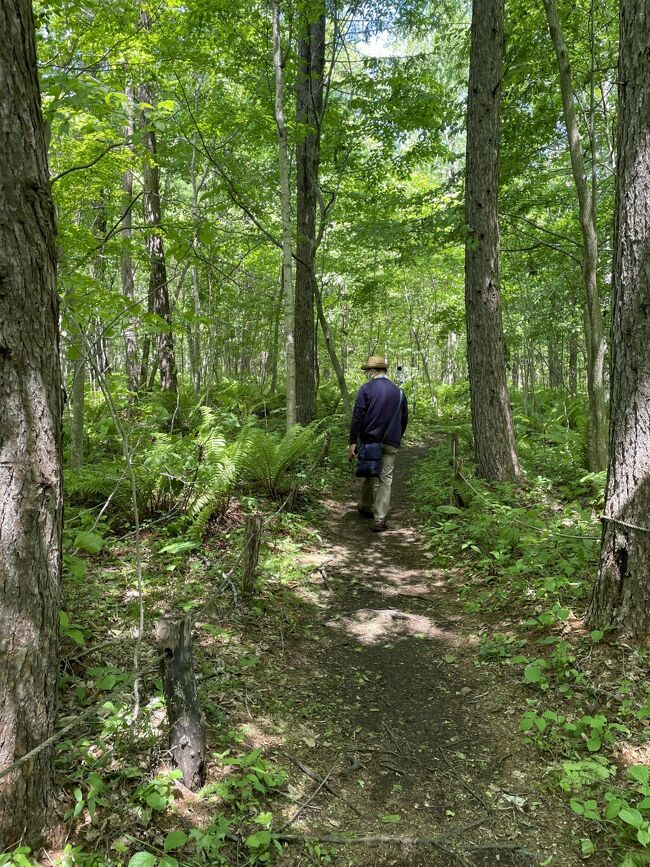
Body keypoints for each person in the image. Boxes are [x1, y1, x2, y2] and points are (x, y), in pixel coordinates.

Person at [348, 355, 408, 532]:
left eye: (368, 371)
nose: (367, 373)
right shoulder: (399, 392)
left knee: (368, 472)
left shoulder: (365, 389)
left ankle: (366, 506)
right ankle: (380, 517)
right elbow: (404, 419)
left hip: (370, 441)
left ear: (373, 371)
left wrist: (353, 442)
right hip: (391, 442)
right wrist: (397, 437)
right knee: (386, 479)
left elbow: (357, 417)